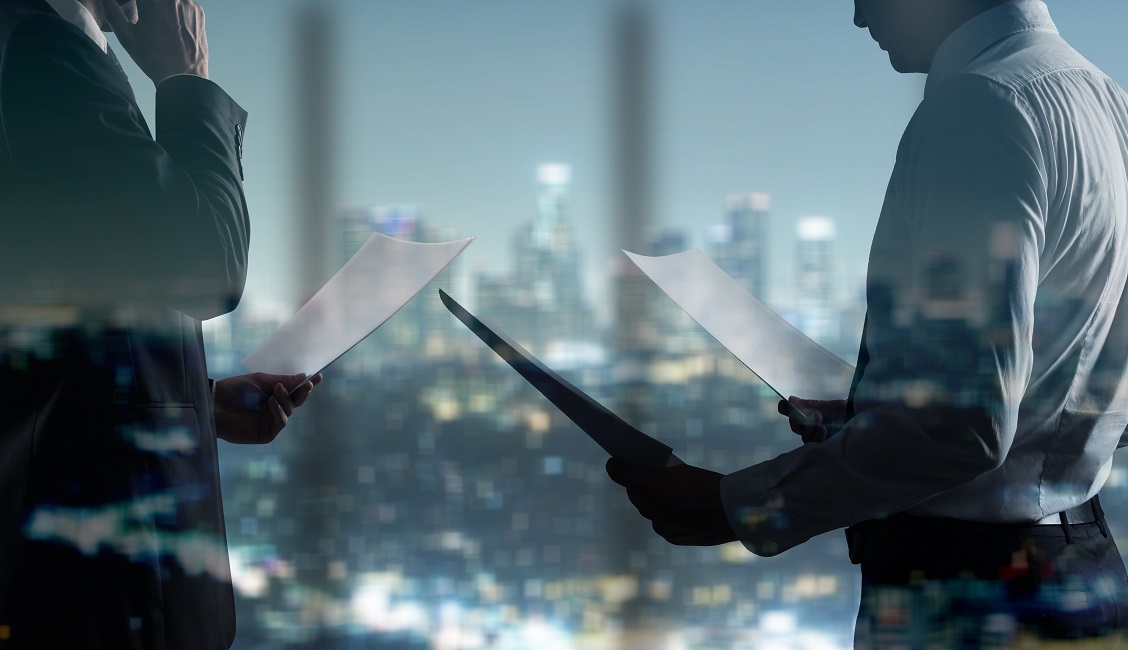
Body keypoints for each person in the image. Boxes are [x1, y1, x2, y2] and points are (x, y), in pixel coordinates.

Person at [607, 0, 1128, 645]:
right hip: (1084, 574)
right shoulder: (1106, 102)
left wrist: (734, 507)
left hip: (969, 595)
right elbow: (1089, 390)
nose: (858, 16)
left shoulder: (981, 106)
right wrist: (883, 413)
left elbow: (962, 427)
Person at [0, 0, 318, 647]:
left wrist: (197, 402)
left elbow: (64, 308)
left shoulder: (46, 48)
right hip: (95, 592)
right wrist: (186, 80)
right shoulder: (42, 52)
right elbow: (208, 268)